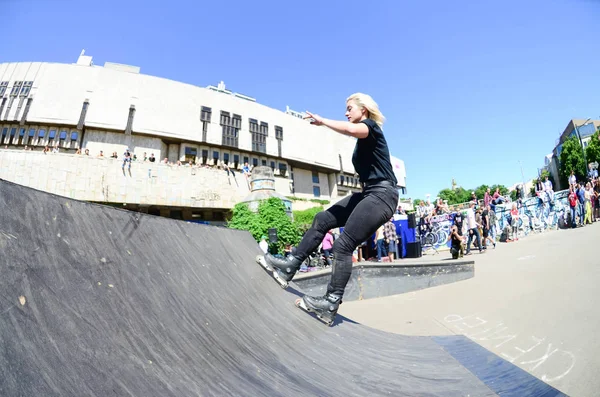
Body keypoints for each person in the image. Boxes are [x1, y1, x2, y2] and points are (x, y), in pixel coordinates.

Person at [260, 93, 398, 322]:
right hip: (368, 193)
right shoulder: (364, 140)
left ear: (363, 110)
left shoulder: (370, 127)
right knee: (323, 218)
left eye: (349, 108)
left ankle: (330, 302)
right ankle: (290, 265)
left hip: (383, 195)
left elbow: (352, 130)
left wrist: (323, 121)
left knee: (343, 245)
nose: (346, 112)